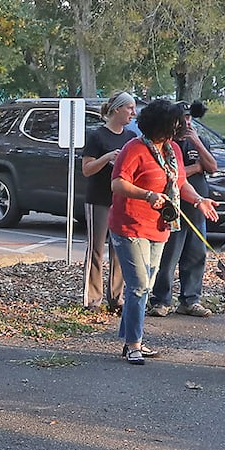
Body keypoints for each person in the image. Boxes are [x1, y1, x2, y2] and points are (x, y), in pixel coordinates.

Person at [109, 99, 219, 365]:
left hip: (159, 227)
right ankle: (134, 345)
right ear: (161, 126)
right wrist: (147, 195)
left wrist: (199, 201)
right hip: (130, 226)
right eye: (175, 123)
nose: (180, 127)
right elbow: (117, 184)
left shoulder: (173, 152)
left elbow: (180, 183)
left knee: (144, 286)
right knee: (139, 287)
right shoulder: (133, 149)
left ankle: (128, 338)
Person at [148, 100, 219, 318]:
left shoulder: (198, 141)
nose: (187, 123)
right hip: (173, 209)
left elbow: (213, 167)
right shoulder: (167, 144)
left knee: (196, 256)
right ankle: (161, 300)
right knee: (168, 258)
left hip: (198, 208)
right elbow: (169, 175)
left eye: (190, 118)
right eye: (183, 118)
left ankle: (190, 300)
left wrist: (197, 142)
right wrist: (197, 168)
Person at [80, 92, 137, 310]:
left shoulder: (131, 137)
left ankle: (117, 297)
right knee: (96, 248)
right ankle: (92, 299)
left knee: (120, 248)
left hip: (122, 200)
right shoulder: (97, 137)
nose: (133, 113)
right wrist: (107, 157)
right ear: (117, 110)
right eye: (130, 108)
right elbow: (87, 170)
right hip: (98, 199)